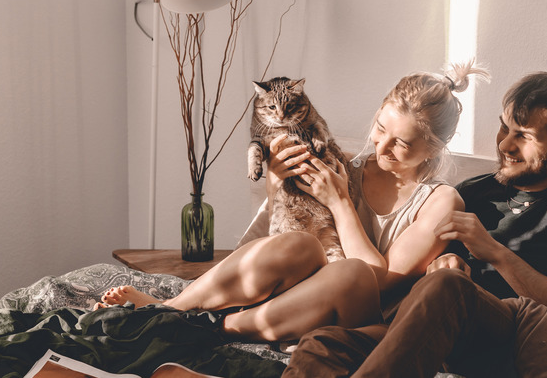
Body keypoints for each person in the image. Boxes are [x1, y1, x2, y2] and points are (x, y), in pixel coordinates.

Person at [95, 62, 489, 343]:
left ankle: (215, 329)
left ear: (435, 147)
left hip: (362, 313)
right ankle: (172, 309)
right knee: (302, 244)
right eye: (380, 128)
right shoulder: (341, 162)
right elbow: (272, 237)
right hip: (293, 293)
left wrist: (339, 203)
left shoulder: (441, 202)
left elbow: (379, 281)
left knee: (350, 272)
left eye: (401, 144)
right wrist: (275, 182)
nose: (380, 147)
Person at [282, 71, 547, 377]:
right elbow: (422, 279)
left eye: (524, 136)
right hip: (430, 329)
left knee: (450, 288)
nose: (504, 144)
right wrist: (446, 263)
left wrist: (495, 253)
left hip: (509, 333)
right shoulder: (473, 192)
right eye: (504, 127)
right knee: (321, 347)